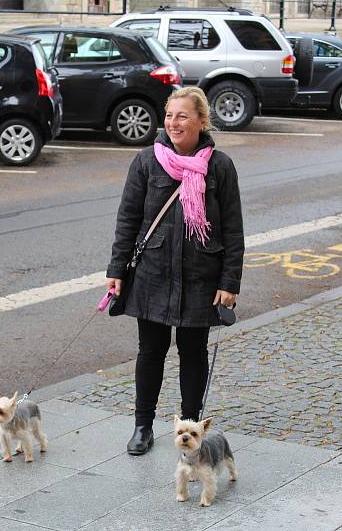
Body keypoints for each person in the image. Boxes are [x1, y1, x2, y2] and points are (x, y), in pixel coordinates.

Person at [105, 87, 244, 455]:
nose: (173, 123)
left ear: (201, 121)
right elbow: (128, 220)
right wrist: (116, 269)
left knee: (193, 351)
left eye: (182, 116)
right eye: (169, 116)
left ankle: (190, 427)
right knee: (150, 350)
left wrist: (229, 280)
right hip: (153, 270)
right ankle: (143, 426)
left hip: (201, 274)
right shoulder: (147, 161)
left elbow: (233, 227)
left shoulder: (220, 166)